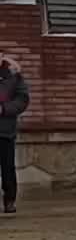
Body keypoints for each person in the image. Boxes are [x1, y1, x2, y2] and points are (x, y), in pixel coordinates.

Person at [0, 56, 30, 214]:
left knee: (7, 168)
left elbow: (22, 100)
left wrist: (4, 109)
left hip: (5, 130)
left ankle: (9, 200)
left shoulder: (14, 76)